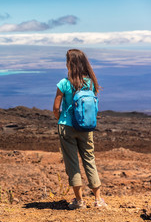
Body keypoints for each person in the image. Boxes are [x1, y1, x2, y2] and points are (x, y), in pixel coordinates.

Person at [53, 49, 107, 209]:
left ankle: (79, 201)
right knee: (90, 160)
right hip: (86, 127)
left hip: (67, 128)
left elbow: (56, 108)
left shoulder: (64, 83)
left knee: (72, 163)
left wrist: (62, 120)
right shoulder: (90, 82)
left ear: (69, 63)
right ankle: (98, 200)